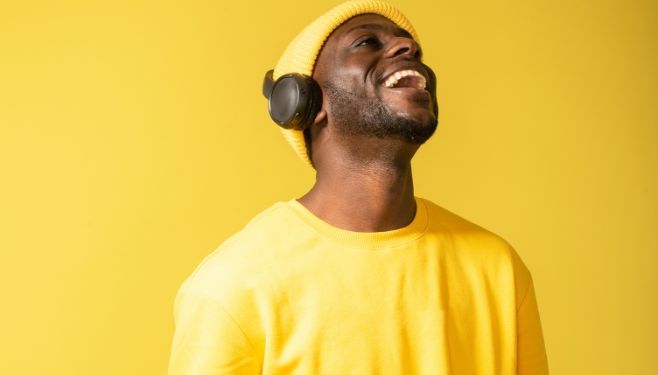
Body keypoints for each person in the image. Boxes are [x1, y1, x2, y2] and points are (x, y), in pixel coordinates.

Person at [167, 1, 549, 374]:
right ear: (305, 102)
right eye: (367, 43)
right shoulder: (233, 287)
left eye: (409, 45)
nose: (408, 47)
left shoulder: (499, 269)